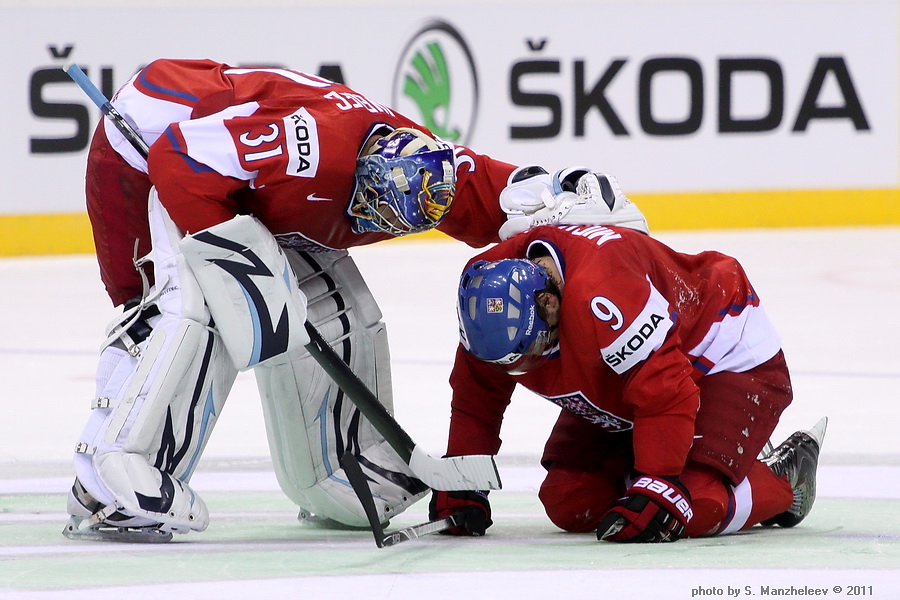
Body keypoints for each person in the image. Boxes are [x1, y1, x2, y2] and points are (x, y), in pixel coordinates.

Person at [66, 57, 649, 542]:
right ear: (364, 176)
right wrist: (240, 271)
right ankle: (113, 471)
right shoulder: (310, 149)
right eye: (375, 202)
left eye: (399, 217)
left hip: (244, 182)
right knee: (188, 307)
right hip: (151, 149)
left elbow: (505, 196)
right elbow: (181, 161)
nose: (379, 221)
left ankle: (337, 470)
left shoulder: (429, 171)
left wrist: (574, 206)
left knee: (340, 313)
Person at [429, 222, 827, 543]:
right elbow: (476, 397)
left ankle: (784, 479)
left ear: (550, 303)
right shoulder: (491, 298)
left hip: (719, 357)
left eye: (530, 351)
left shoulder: (602, 293)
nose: (525, 367)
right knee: (570, 501)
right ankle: (707, 459)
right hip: (627, 379)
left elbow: (667, 392)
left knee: (688, 506)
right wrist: (464, 477)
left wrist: (658, 481)